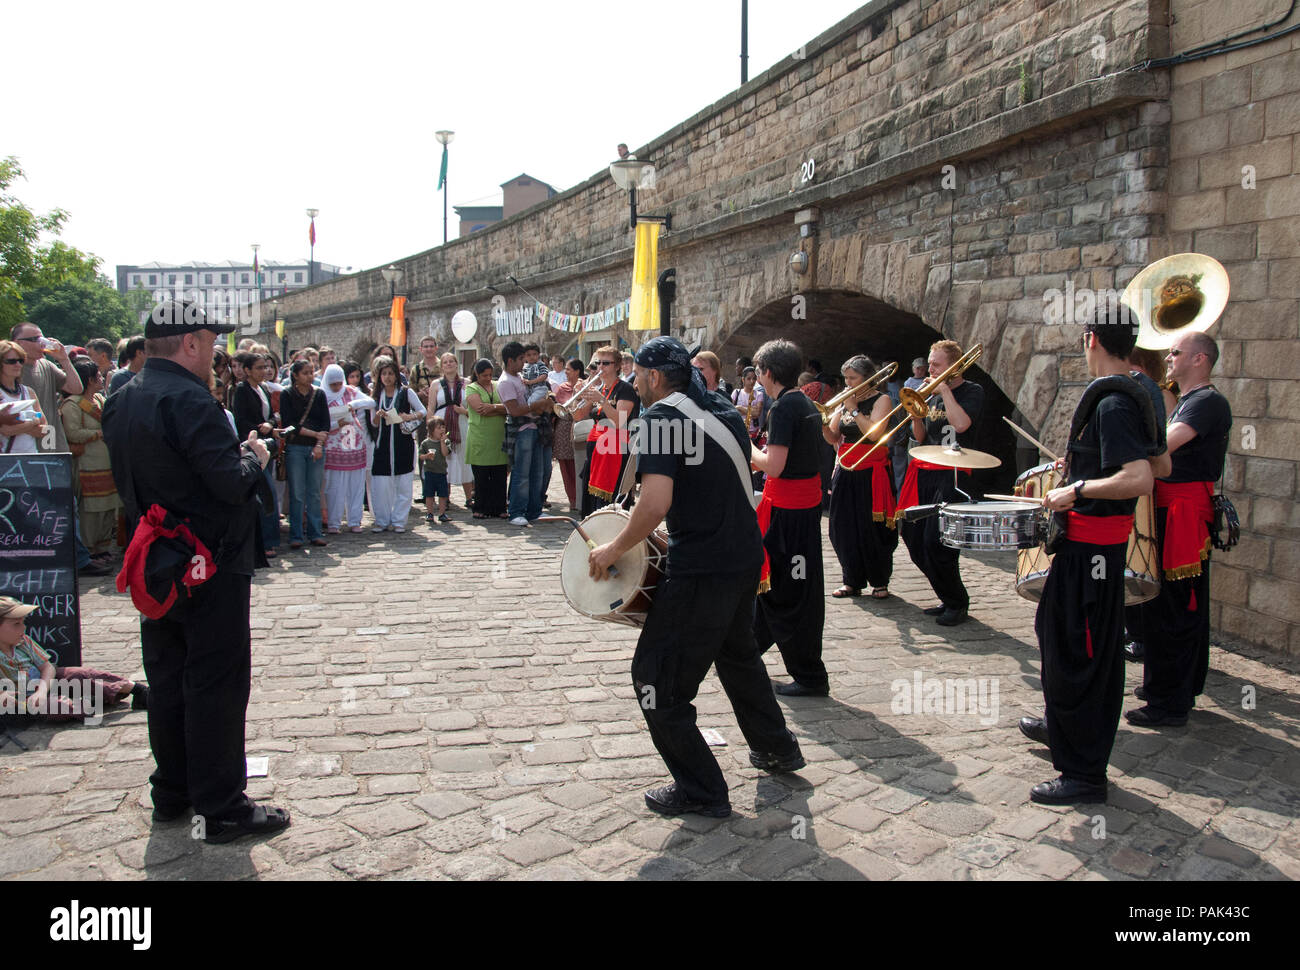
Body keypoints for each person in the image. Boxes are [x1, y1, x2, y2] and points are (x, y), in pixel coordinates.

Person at [587, 336, 804, 818]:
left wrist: (614, 548)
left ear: (656, 377)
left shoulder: (661, 419)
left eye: (638, 374)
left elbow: (656, 503)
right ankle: (777, 747)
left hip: (704, 565)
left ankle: (702, 789)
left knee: (655, 678)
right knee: (737, 655)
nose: (635, 382)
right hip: (744, 555)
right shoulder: (724, 409)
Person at [102, 300, 289, 844]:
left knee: (167, 680)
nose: (215, 354)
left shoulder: (123, 397)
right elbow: (230, 481)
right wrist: (254, 453)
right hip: (208, 562)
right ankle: (221, 805)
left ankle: (175, 790)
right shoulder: (190, 400)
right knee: (215, 685)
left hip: (155, 560)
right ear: (189, 342)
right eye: (210, 342)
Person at [1018, 304, 1162, 804]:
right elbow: (1160, 461)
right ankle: (1063, 726)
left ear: (1091, 338)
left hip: (1090, 553)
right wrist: (1084, 461)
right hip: (1094, 551)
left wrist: (1075, 488)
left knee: (1078, 655)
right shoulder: (1140, 391)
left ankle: (1082, 773)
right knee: (1064, 641)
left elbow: (1141, 478)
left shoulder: (1114, 403)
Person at [1130, 331, 1231, 728]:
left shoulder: (1206, 402)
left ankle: (1169, 701)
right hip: (1173, 510)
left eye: (1176, 353)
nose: (1168, 358)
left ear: (1200, 360)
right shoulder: (1189, 401)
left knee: (1175, 607)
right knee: (1170, 604)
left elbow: (1161, 449)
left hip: (1183, 514)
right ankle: (1172, 685)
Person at [749, 339, 828, 697]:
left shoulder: (782, 408)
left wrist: (747, 447)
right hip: (801, 510)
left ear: (768, 372)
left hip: (788, 513)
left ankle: (808, 674)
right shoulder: (805, 403)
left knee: (786, 590)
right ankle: (746, 652)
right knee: (781, 588)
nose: (756, 378)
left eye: (758, 371)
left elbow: (775, 467)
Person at [898, 340, 985, 626]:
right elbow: (921, 437)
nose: (929, 369)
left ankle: (957, 602)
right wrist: (916, 416)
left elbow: (961, 425)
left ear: (954, 366)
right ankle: (947, 595)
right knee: (913, 537)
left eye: (936, 364)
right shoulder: (931, 394)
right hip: (927, 469)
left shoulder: (971, 391)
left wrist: (945, 390)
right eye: (930, 363)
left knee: (937, 541)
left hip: (955, 474)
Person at [0, 597, 144, 722]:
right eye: (16, 624)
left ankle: (136, 690)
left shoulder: (23, 641)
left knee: (81, 674)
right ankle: (86, 704)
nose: (23, 628)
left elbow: (47, 667)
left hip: (46, 683)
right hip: (25, 699)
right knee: (58, 707)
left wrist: (42, 690)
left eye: (23, 622)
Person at [824, 355, 898, 599]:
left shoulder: (882, 399)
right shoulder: (846, 401)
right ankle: (851, 579)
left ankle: (879, 580)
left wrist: (854, 409)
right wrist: (824, 422)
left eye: (853, 378)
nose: (847, 383)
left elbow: (874, 434)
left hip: (871, 471)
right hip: (846, 468)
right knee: (841, 525)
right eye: (845, 378)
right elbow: (833, 437)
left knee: (871, 527)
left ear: (868, 378)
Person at [1122, 347, 1171, 661]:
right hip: (1142, 492)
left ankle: (1142, 636)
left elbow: (1160, 454)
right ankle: (1135, 631)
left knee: (1143, 567)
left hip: (1155, 494)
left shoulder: (1158, 397)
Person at [59, 359, 122, 561]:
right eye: (98, 376)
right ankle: (89, 551)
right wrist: (99, 433)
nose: (102, 379)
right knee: (90, 512)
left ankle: (102, 548)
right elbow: (73, 433)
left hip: (106, 463)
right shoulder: (72, 404)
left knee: (107, 508)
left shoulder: (99, 399)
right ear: (89, 379)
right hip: (87, 465)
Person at [571, 345, 639, 517]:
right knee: (591, 498)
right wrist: (576, 396)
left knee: (612, 498)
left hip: (615, 450)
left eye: (606, 363)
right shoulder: (599, 389)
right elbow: (578, 415)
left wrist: (602, 401)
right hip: (596, 450)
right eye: (597, 363)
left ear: (617, 366)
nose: (600, 367)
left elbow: (619, 422)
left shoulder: (625, 389)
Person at [231, 352, 282, 558]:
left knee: (265, 494)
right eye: (259, 368)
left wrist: (270, 424)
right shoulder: (241, 390)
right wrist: (261, 428)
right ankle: (265, 541)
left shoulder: (263, 388)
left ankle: (267, 540)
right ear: (248, 370)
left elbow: (269, 414)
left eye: (266, 367)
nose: (264, 371)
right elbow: (241, 420)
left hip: (267, 446)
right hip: (251, 447)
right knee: (265, 491)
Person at [499, 341, 554, 526]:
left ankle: (534, 510)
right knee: (521, 473)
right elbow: (514, 410)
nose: (524, 362)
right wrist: (536, 405)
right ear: (510, 360)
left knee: (537, 473)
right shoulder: (506, 381)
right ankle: (516, 512)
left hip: (535, 428)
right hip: (521, 431)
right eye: (521, 359)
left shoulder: (520, 377)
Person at [279, 359, 331, 550]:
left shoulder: (319, 394)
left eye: (311, 372)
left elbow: (325, 423)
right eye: (305, 373)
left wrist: (318, 443)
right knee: (297, 492)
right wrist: (314, 434)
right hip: (296, 447)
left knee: (314, 492)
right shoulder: (287, 395)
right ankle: (296, 534)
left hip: (315, 447)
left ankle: (315, 532)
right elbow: (290, 424)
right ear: (295, 375)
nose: (310, 376)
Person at [369, 355, 425, 532]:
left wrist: (409, 416)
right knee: (381, 486)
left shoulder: (406, 392)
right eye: (384, 374)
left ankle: (399, 520)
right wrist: (378, 416)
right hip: (383, 445)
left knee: (404, 485)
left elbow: (422, 411)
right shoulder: (376, 395)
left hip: (403, 444)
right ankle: (382, 520)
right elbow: (373, 423)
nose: (387, 377)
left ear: (396, 375)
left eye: (390, 373)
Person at [11, 322, 83, 453]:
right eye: (35, 339)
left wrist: (64, 360)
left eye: (42, 338)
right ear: (18, 343)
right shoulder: (9, 370)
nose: (42, 343)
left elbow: (76, 389)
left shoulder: (46, 365)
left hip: (52, 442)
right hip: (23, 446)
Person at [321, 363, 374, 534]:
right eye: (333, 384)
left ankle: (354, 519)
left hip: (354, 444)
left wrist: (353, 404)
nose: (337, 387)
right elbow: (320, 423)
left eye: (339, 383)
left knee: (356, 484)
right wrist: (337, 423)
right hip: (334, 446)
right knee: (334, 486)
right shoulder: (322, 396)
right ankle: (334, 521)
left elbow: (370, 401)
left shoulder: (350, 391)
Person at [431, 353, 475, 511]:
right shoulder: (436, 384)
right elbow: (431, 408)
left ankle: (470, 497)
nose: (449, 364)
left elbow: (473, 408)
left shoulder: (467, 383)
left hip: (461, 423)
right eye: (445, 362)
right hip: (442, 424)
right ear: (442, 366)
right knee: (445, 460)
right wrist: (432, 428)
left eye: (451, 361)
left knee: (465, 459)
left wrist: (463, 411)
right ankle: (445, 496)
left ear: (457, 364)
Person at [465, 359, 508, 519]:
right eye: (484, 375)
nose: (488, 378)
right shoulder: (471, 388)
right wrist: (499, 408)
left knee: (499, 475)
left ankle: (499, 507)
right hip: (480, 437)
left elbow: (509, 406)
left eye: (490, 375)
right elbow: (480, 408)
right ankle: (480, 507)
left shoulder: (498, 385)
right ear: (477, 374)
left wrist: (494, 407)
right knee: (482, 476)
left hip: (498, 437)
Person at [0, 339, 47, 454]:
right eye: (11, 361)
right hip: (5, 463)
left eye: (21, 360)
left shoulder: (28, 392)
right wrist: (33, 423)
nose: (18, 365)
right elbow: (6, 430)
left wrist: (19, 427)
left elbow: (45, 429)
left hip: (30, 460)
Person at [551, 358, 584, 511]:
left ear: (577, 371)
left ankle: (580, 498)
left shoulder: (584, 385)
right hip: (562, 430)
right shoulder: (562, 387)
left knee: (578, 466)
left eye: (569, 370)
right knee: (565, 467)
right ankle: (572, 498)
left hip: (577, 428)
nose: (566, 372)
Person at [408, 336, 442, 445]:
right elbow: (410, 394)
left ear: (436, 348)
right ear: (421, 349)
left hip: (441, 411)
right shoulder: (416, 370)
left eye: (431, 346)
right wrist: (420, 394)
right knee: (424, 445)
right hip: (423, 414)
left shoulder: (444, 366)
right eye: (426, 346)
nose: (429, 349)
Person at [419, 415, 451, 524]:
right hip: (429, 472)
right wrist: (427, 456)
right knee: (429, 494)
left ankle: (442, 513)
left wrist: (443, 442)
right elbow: (420, 456)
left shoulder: (446, 442)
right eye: (439, 428)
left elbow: (445, 453)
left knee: (443, 494)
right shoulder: (425, 443)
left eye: (443, 427)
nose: (442, 430)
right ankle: (430, 513)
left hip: (441, 472)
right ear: (431, 430)